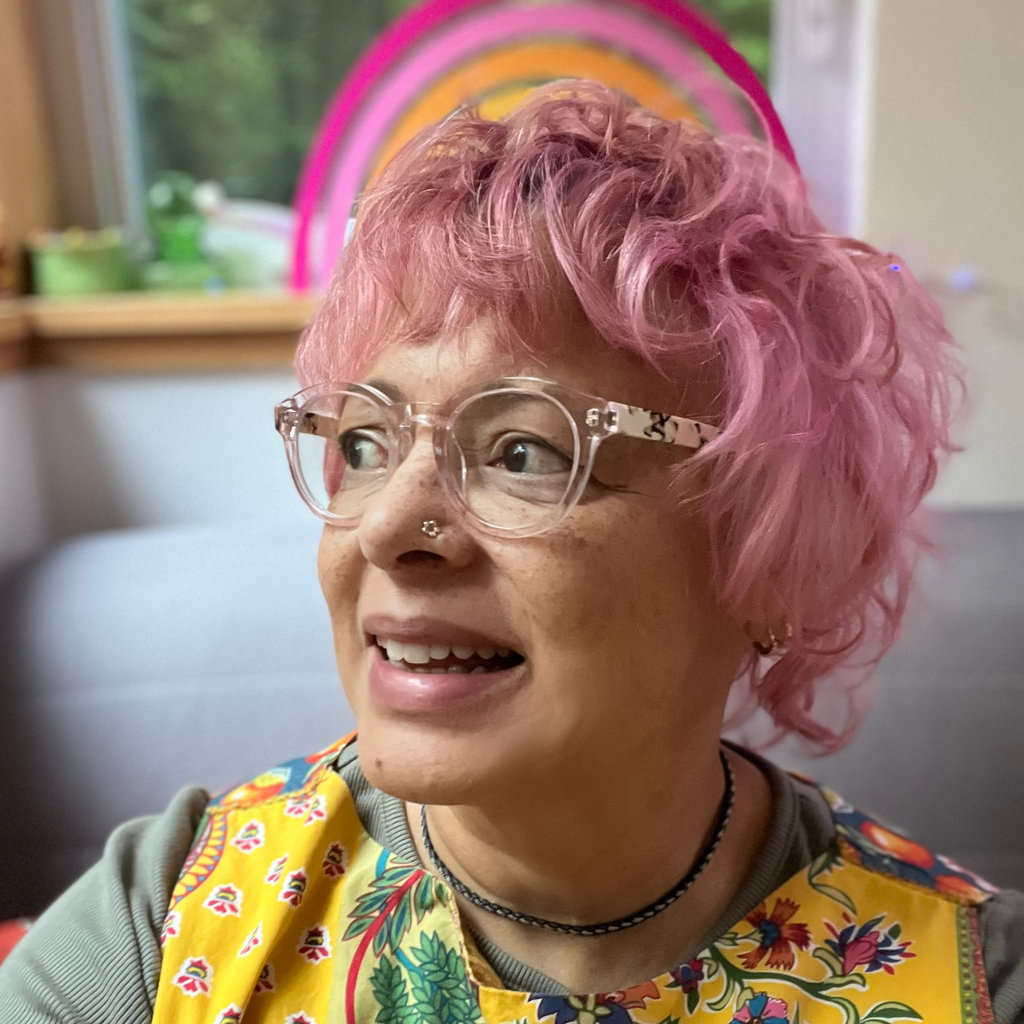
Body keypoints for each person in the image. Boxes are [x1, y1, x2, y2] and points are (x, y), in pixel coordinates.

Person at [1, 80, 1022, 1023]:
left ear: (777, 556)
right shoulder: (162, 922)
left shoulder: (975, 983)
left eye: (525, 452)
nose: (388, 528)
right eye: (366, 443)